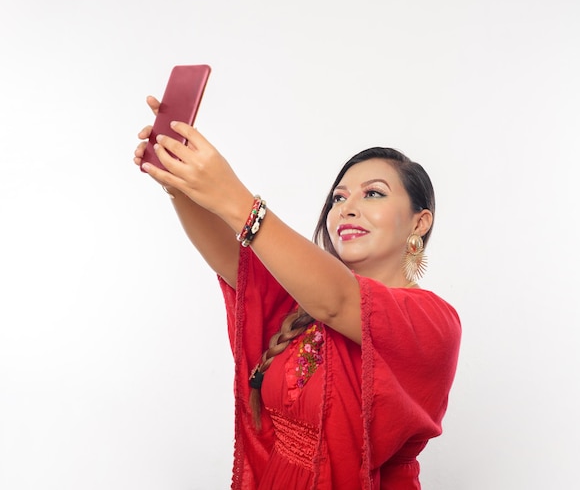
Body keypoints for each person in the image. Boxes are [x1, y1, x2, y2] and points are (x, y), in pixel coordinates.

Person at [134, 95, 461, 489]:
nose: (347, 208)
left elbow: (339, 301)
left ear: (420, 222)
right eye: (339, 197)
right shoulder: (303, 307)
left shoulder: (433, 322)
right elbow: (236, 261)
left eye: (373, 193)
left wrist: (236, 198)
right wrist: (179, 183)